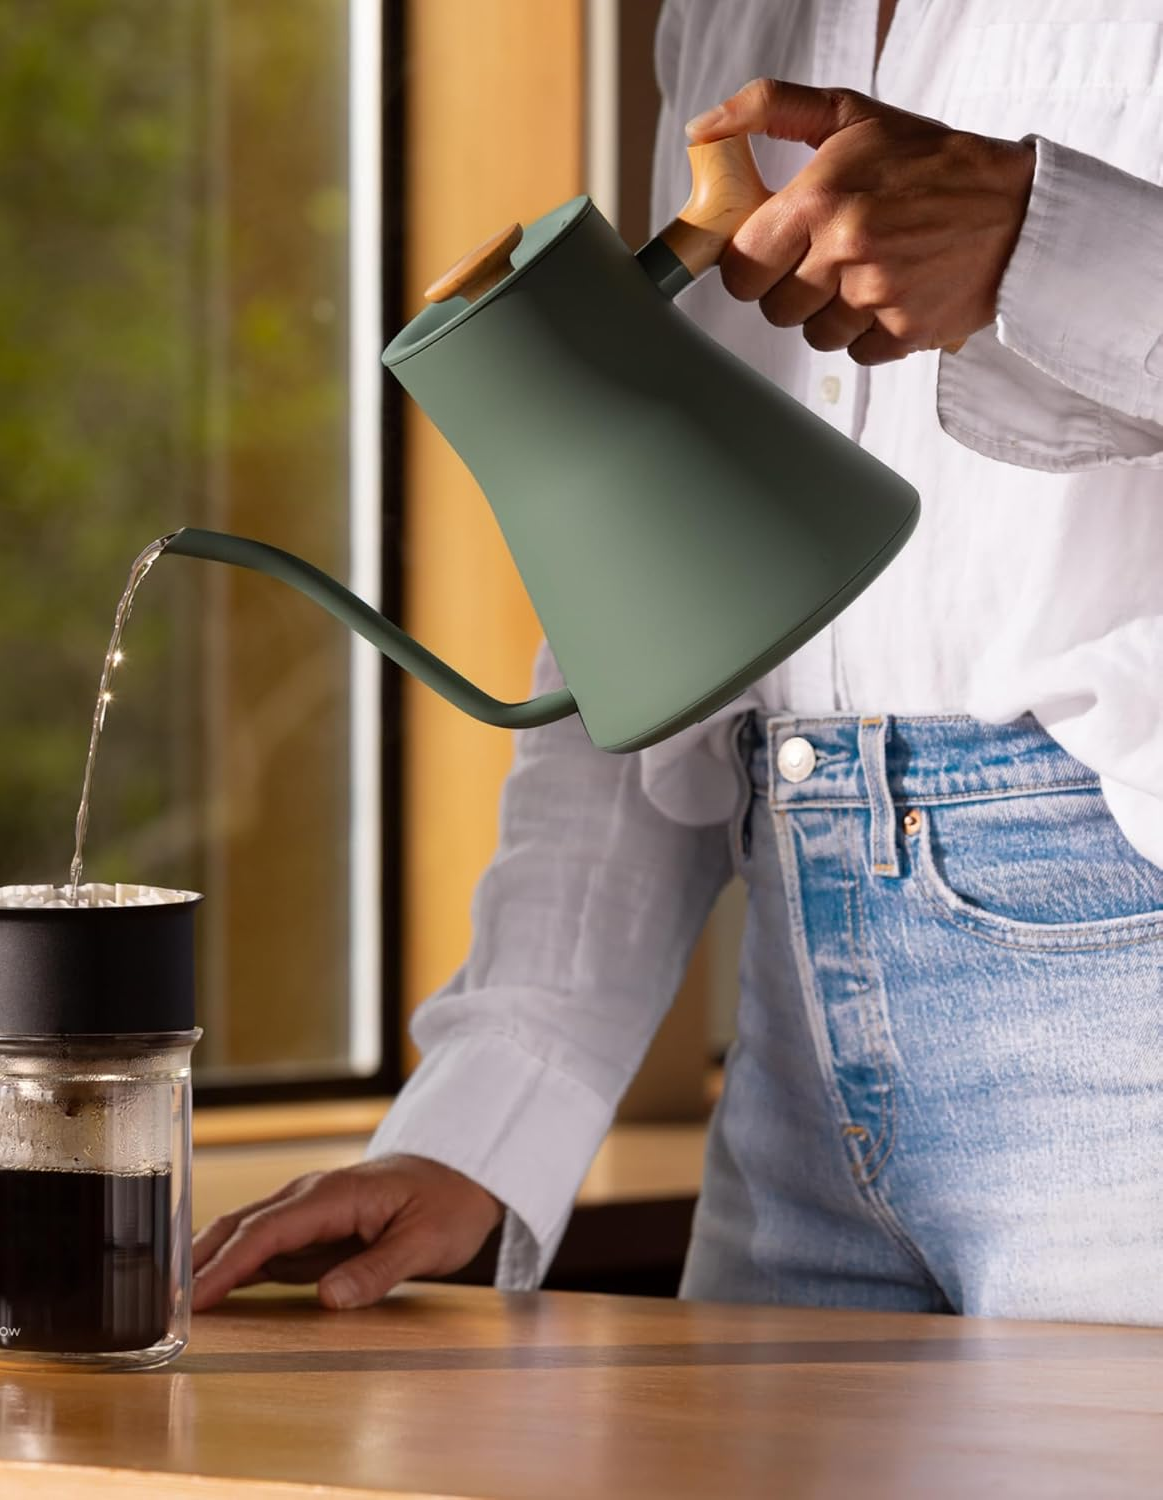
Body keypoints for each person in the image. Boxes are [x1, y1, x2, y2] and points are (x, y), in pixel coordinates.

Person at [194, 0, 1163, 1324]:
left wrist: (1049, 246)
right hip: (791, 1063)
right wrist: (482, 1120)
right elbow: (652, 599)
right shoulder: (728, 16)